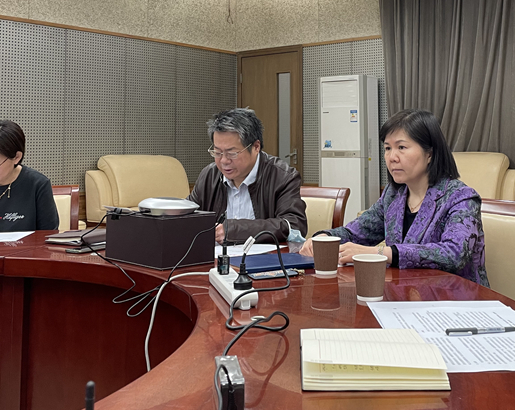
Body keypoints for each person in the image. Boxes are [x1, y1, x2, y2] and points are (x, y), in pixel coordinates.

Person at [300, 109, 489, 285]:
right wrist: (325, 238)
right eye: (388, 148)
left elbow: (454, 253)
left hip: (456, 299)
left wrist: (381, 253)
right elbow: (357, 233)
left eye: (402, 147)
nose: (392, 157)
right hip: (405, 294)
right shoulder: (394, 195)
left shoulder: (461, 198)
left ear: (429, 154)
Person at [188, 108, 307, 244]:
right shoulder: (209, 176)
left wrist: (234, 230)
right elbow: (188, 217)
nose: (224, 161)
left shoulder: (282, 176)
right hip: (217, 257)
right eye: (217, 152)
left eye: (232, 153)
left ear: (256, 147)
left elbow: (294, 227)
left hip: (266, 256)